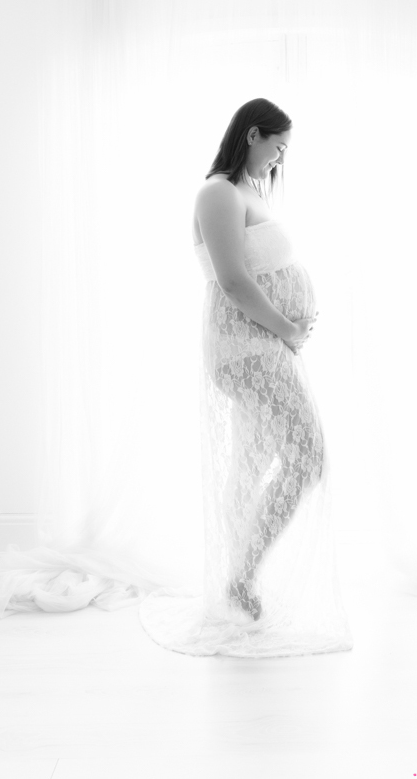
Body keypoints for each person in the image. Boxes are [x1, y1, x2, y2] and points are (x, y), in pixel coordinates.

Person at [139, 98, 353, 657]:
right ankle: (240, 574)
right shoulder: (217, 192)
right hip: (247, 346)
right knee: (308, 457)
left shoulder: (249, 192)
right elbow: (232, 280)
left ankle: (241, 573)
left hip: (265, 345)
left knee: (263, 460)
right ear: (253, 134)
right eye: (278, 146)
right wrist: (286, 326)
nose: (281, 158)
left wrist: (288, 326)